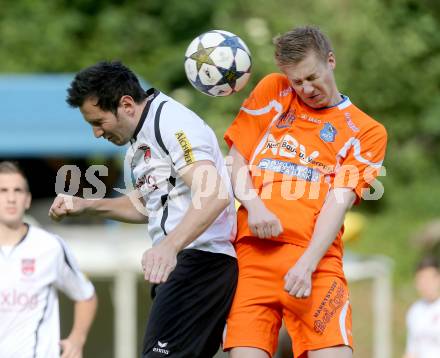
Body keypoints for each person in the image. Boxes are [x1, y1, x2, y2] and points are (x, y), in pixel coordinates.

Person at [48, 61, 238, 358]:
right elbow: (152, 207)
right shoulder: (143, 136)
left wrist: (169, 247)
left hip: (200, 262)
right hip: (184, 263)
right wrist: (88, 205)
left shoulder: (171, 123)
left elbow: (214, 194)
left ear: (126, 104)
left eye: (98, 122)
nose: (96, 134)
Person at [223, 26, 388, 358]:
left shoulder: (367, 132)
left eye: (312, 77)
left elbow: (337, 203)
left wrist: (308, 262)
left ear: (331, 61)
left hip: (317, 262)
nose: (306, 89)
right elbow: (236, 160)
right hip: (253, 258)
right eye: (297, 82)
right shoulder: (274, 90)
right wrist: (254, 207)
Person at [0, 161, 97, 358]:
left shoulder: (49, 246)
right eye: (3, 190)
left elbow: (86, 296)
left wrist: (77, 340)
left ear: (27, 200)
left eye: (17, 191)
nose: (11, 198)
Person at [404, 256, 440, 358]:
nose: (425, 285)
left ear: (438, 279)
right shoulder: (414, 311)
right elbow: (411, 351)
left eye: (428, 279)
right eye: (421, 280)